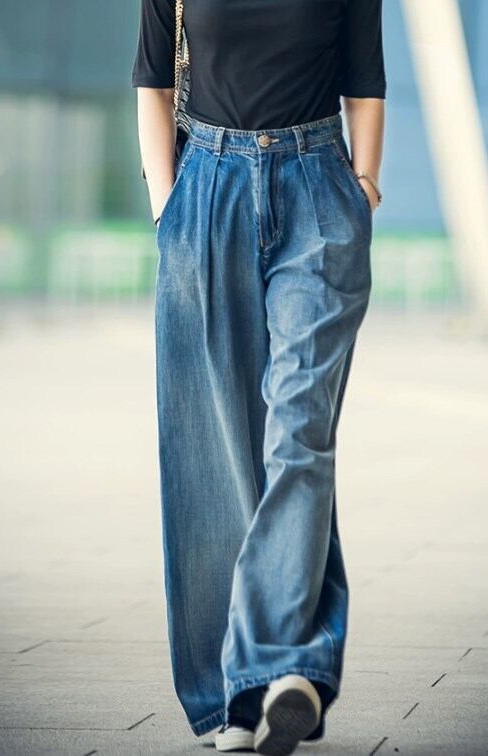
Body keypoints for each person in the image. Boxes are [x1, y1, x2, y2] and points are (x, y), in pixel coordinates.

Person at [131, 1, 386, 753]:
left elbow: (364, 83)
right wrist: (166, 207)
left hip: (317, 190)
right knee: (214, 454)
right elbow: (152, 81)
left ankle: (275, 668)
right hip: (205, 191)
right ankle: (237, 699)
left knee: (299, 428)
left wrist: (364, 187)